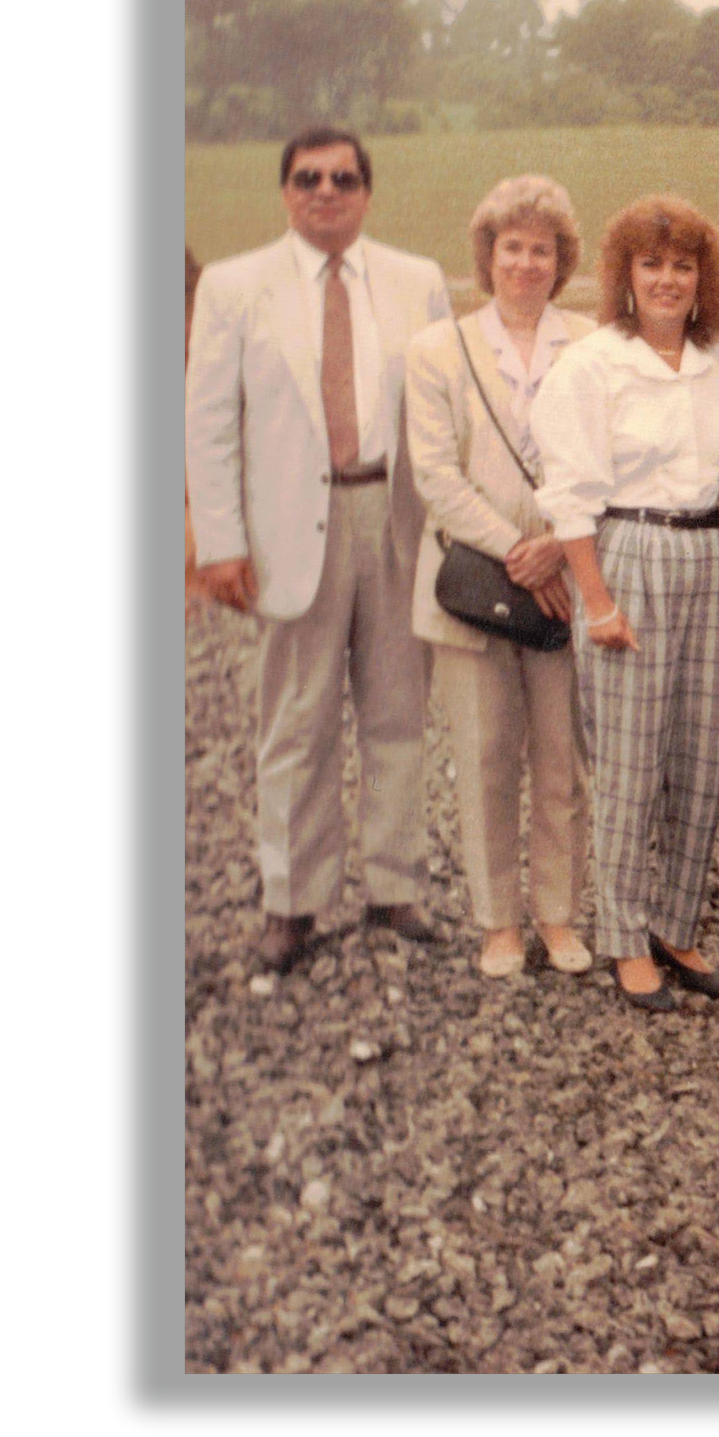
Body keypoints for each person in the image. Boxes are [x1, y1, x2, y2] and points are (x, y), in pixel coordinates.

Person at [187, 126, 453, 972]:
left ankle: (394, 885)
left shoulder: (417, 281)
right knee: (295, 725)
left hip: (396, 517)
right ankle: (291, 902)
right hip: (286, 534)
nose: (326, 191)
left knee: (398, 714)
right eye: (308, 178)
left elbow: (449, 410)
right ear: (286, 191)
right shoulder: (234, 286)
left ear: (367, 191)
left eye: (343, 178)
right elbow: (209, 427)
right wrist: (220, 543)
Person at [532, 196, 719, 1013]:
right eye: (650, 265)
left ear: (703, 278)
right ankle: (622, 934)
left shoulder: (716, 356)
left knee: (696, 752)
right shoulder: (592, 364)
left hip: (707, 551)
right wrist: (597, 602)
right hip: (629, 552)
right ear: (624, 275)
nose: (666, 279)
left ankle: (676, 922)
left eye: (682, 265)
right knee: (627, 757)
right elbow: (571, 495)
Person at [404, 176, 600, 981]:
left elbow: (603, 463)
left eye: (541, 249)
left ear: (561, 261)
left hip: (563, 582)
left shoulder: (590, 343)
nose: (525, 262)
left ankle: (557, 915)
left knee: (562, 759)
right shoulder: (437, 348)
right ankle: (496, 923)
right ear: (488, 257)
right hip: (472, 588)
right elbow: (434, 475)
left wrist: (558, 545)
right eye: (511, 247)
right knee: (485, 759)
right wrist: (519, 552)